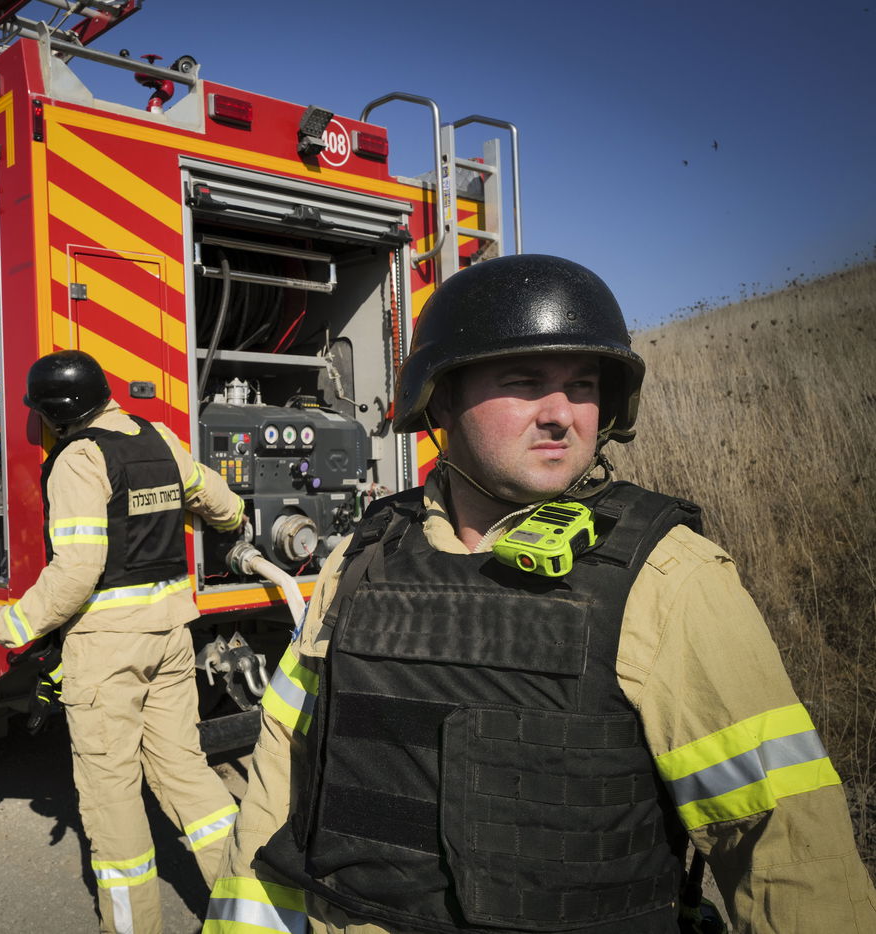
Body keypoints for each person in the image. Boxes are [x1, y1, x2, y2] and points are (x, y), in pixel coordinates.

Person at [204, 254, 876, 934]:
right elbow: (279, 782)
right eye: (524, 382)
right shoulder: (362, 557)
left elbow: (789, 852)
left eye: (582, 385)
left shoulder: (670, 577)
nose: (561, 415)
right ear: (441, 399)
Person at [0, 349, 247, 934]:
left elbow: (78, 571)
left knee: (112, 797)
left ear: (56, 413)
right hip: (171, 639)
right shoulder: (157, 437)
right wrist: (235, 523)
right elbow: (219, 500)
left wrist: (17, 624)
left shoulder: (78, 459)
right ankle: (254, 910)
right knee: (187, 773)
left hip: (109, 651)